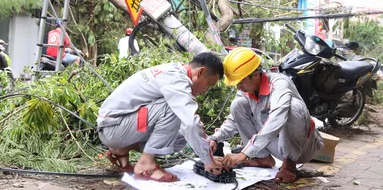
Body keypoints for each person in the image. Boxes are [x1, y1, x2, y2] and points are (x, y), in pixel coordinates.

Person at [98, 52, 224, 182]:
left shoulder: (173, 72)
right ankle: (146, 164)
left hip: (117, 126)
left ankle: (122, 148)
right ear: (201, 72)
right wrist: (208, 160)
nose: (206, 90)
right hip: (114, 128)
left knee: (180, 139)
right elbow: (191, 122)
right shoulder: (176, 80)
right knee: (172, 107)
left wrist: (205, 145)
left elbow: (185, 127)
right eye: (209, 84)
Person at [209, 47, 324, 183]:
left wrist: (244, 154)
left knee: (292, 107)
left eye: (241, 82)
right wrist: (215, 139)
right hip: (276, 145)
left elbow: (277, 118)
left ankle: (290, 165)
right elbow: (233, 120)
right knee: (237, 104)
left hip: (303, 148)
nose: (238, 87)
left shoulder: (280, 84)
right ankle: (261, 158)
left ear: (256, 75)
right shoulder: (246, 91)